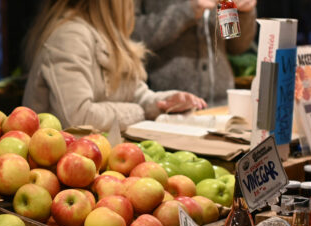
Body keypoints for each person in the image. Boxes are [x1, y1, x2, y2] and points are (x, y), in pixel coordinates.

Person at [22, 0, 206, 132]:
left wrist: (167, 103)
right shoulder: (70, 35)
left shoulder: (105, 34)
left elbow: (135, 94)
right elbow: (77, 118)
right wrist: (142, 112)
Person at [132, 0, 257, 105]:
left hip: (223, 104)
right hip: (168, 104)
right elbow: (131, 36)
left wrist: (242, 11)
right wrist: (187, 11)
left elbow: (236, 45)